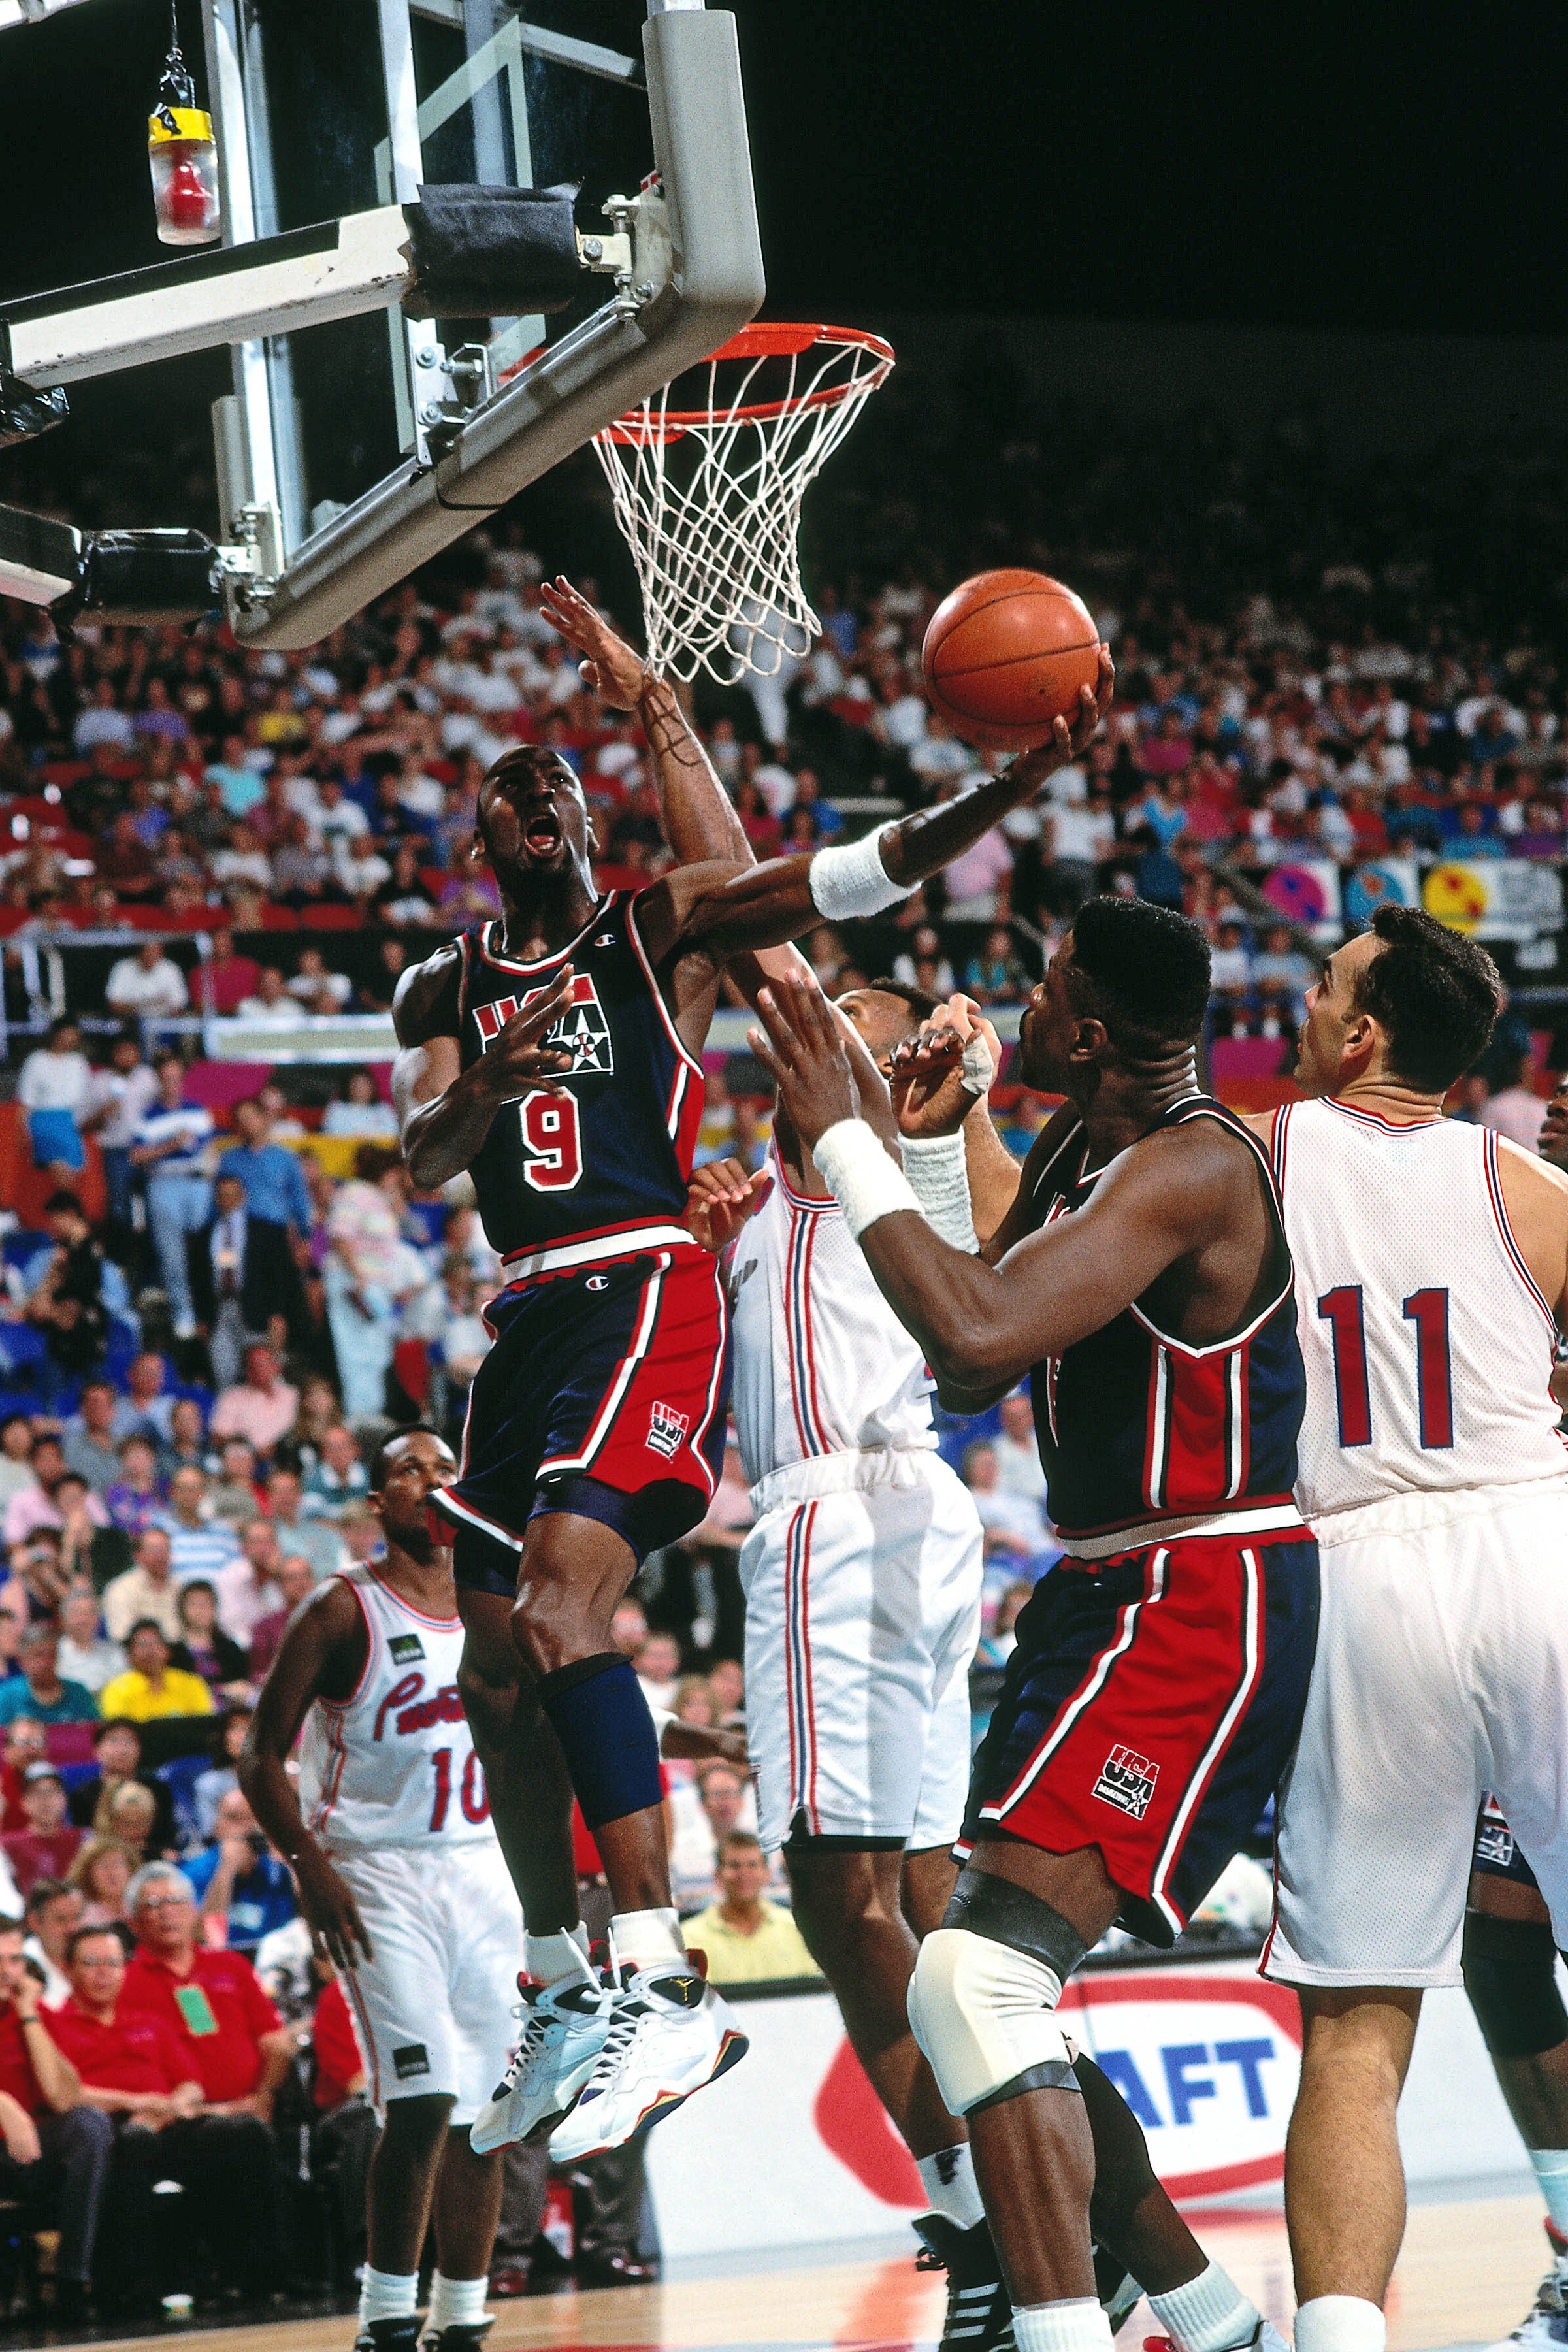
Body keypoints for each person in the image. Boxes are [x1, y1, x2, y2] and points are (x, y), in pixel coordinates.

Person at [390, 572, 1108, 2164]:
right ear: (474, 834)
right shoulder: (439, 984)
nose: (528, 794)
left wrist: (1002, 788)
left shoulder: (658, 925)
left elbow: (839, 871)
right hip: (521, 1313)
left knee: (576, 1613)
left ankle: (659, 1977)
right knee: (493, 1673)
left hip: (639, 1290)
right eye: (501, 787)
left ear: (579, 819)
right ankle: (567, 1980)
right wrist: (484, 1091)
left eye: (552, 781)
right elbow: (421, 1153)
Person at [745, 900, 1318, 2352]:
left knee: (973, 1978)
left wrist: (847, 1138)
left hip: (1202, 1589)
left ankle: (1068, 2332)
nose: (1027, 998)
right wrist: (937, 1142)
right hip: (1106, 1589)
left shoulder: (1191, 1165)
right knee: (983, 1993)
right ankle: (1206, 2316)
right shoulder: (1086, 1143)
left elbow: (979, 1340)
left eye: (1051, 986)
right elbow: (1001, 1269)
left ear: (1102, 1032)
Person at [1233, 906, 1568, 2352]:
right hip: (1535, 1539)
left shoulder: (1247, 1154)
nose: (1303, 1004)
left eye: (1322, 987)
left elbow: (1024, 1243)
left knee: (1356, 2028)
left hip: (1359, 1566)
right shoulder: (1531, 1183)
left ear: (1362, 1034)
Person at [241, 1428, 517, 2352]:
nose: (433, 1483)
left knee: (487, 2108)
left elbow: (591, 1702)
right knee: (426, 2094)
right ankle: (385, 2314)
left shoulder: (495, 1601)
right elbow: (257, 1755)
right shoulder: (340, 1607)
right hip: (373, 1871)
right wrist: (306, 1864)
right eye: (411, 1471)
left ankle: (462, 2316)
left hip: (483, 1866)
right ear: (378, 1503)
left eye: (446, 1469)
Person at [118, 1864, 293, 2301]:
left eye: (175, 1901)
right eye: (153, 1905)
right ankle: (261, 2278)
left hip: (253, 2105)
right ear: (133, 1920)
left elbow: (277, 2042)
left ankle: (269, 2275)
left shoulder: (230, 1965)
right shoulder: (124, 1981)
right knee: (239, 2136)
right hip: (177, 2120)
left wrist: (264, 2097)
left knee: (253, 2131)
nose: (166, 1913)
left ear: (195, 1911)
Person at [0, 1916, 110, 2324]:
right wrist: (5, 2107)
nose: (6, 1971)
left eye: (14, 1960)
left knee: (90, 2125)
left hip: (29, 2155)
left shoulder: (32, 2010)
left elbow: (62, 2096)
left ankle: (71, 2282)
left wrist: (29, 2014)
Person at [189, 1172, 304, 1388]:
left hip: (256, 1311)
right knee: (223, 1371)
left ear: (243, 1197)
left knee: (263, 1371)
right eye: (223, 1196)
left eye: (233, 1195)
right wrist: (202, 1317)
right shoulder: (205, 1236)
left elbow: (280, 1276)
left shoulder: (266, 1232)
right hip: (220, 1310)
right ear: (216, 1199)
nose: (228, 1201)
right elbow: (198, 1280)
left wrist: (278, 1314)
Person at [130, 1051, 216, 1340]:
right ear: (159, 1081)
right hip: (164, 1181)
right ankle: (184, 1312)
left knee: (209, 1248)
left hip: (198, 1182)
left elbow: (211, 1149)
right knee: (172, 1255)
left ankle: (208, 1309)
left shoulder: (197, 1110)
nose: (173, 1085)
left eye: (177, 1079)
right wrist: (171, 1144)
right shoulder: (148, 1116)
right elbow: (137, 1155)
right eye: (167, 1080)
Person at [683, 1832, 821, 1984]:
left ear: (767, 1874)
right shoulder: (690, 1938)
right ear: (718, 1875)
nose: (744, 1874)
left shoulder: (797, 1930)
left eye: (753, 1865)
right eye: (734, 1866)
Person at [183, 1790, 296, 1953]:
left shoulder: (276, 1870)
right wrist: (226, 1872)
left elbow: (298, 1926)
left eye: (252, 1818)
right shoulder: (195, 1871)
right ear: (218, 1826)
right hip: (220, 1959)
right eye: (235, 1818)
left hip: (270, 1958)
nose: (245, 1828)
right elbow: (204, 1936)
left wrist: (291, 1862)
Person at [16, 1017, 91, 1181]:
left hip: (72, 1124)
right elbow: (25, 1101)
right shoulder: (36, 1060)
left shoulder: (78, 1061)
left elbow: (85, 1097)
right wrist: (23, 1133)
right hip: (45, 1122)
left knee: (74, 1178)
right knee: (62, 1177)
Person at [98, 1621, 216, 1723]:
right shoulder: (116, 1689)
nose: (150, 1651)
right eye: (141, 1645)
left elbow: (204, 1726)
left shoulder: (192, 1684)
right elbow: (118, 1732)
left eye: (155, 1643)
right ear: (129, 1656)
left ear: (168, 1651)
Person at [2, 1763, 84, 1898]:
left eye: (52, 1792)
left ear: (64, 1799)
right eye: (37, 1793)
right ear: (24, 1802)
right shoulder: (8, 1845)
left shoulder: (83, 1840)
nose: (45, 1801)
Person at [0, 1623, 97, 1728]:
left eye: (52, 1655)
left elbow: (95, 1733)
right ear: (22, 1660)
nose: (45, 1662)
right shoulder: (7, 1695)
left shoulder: (78, 1693)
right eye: (38, 1655)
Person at [101, 1526, 184, 1645]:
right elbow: (121, 1637)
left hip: (179, 1656)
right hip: (137, 1659)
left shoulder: (179, 1588)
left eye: (166, 1548)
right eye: (155, 1549)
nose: (162, 1555)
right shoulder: (121, 1589)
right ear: (138, 1556)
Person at [175, 1580, 252, 1702]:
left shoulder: (231, 1649)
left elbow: (243, 1684)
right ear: (182, 1609)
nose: (200, 1610)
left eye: (206, 1604)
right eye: (194, 1604)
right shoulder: (173, 1653)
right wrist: (223, 1690)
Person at [57, 1583, 125, 1699]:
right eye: (77, 1612)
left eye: (91, 1612)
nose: (84, 1619)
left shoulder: (114, 1653)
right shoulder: (55, 1653)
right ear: (63, 1619)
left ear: (99, 1619)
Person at [23, 1878, 83, 2006]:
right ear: (34, 1922)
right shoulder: (20, 1966)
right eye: (61, 1920)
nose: (73, 1928)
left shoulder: (95, 1957)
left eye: (77, 1917)